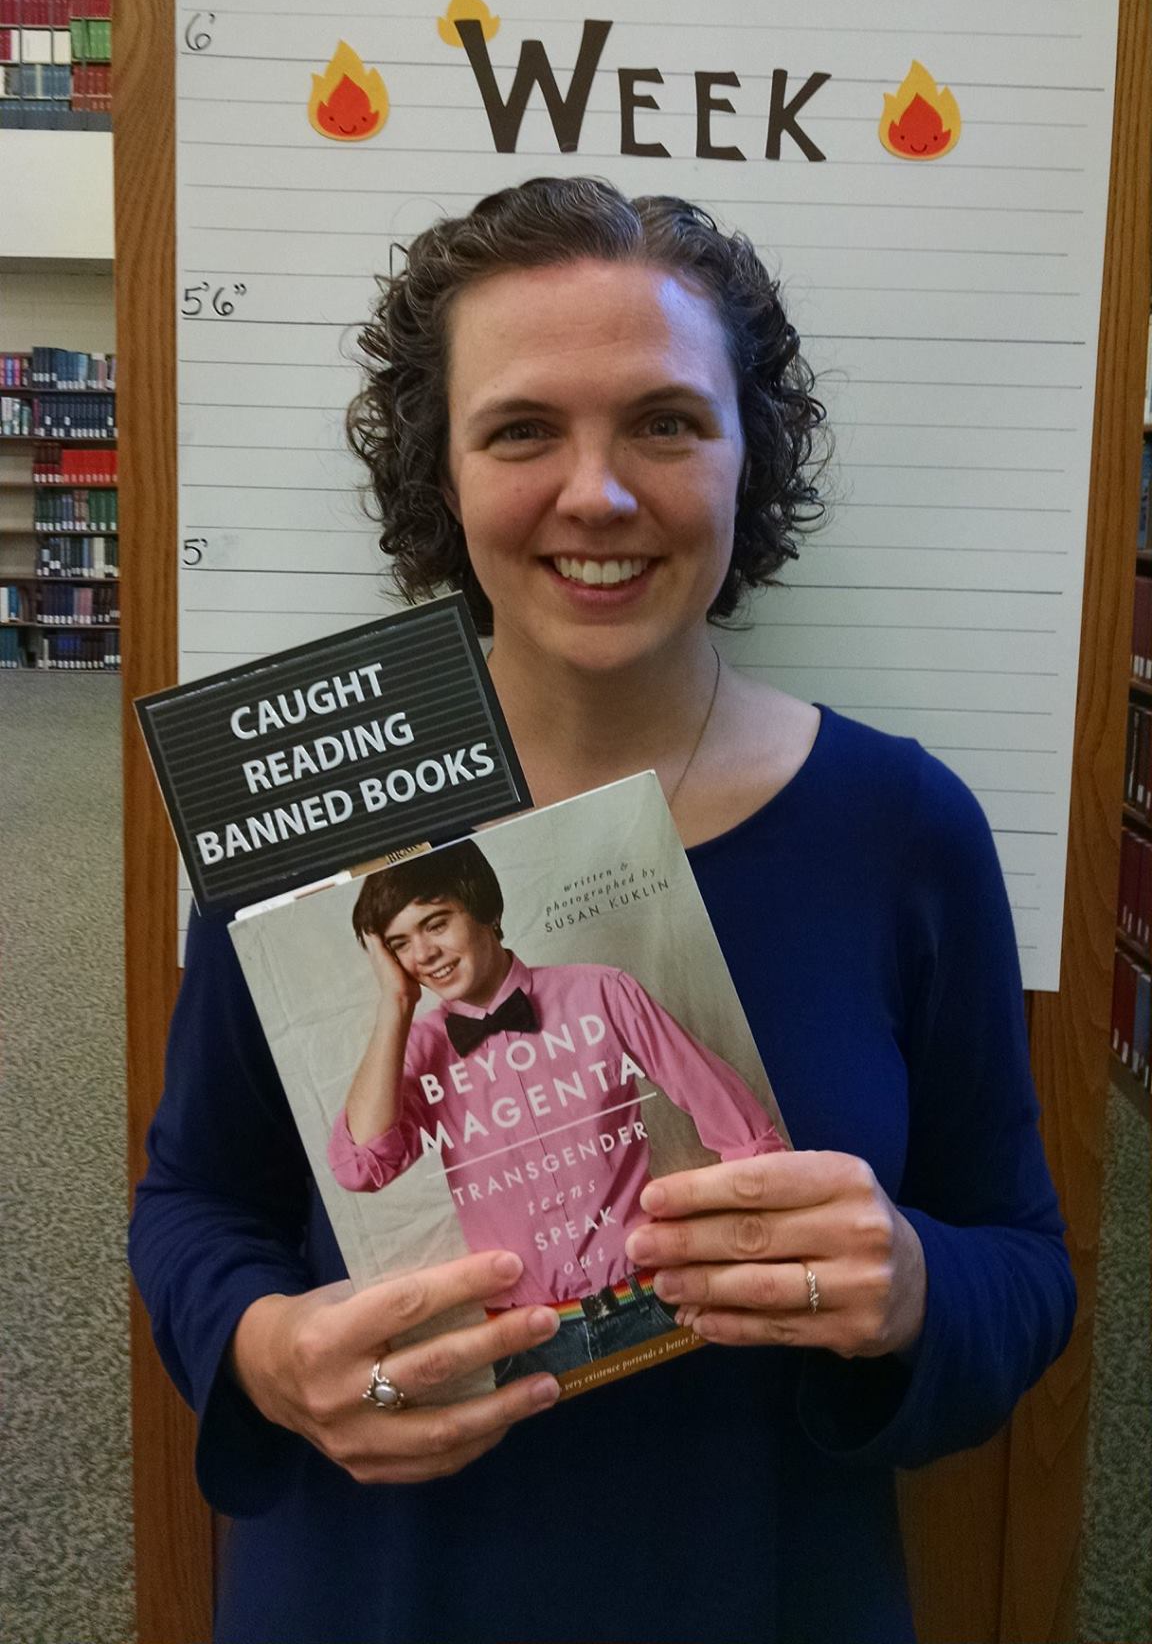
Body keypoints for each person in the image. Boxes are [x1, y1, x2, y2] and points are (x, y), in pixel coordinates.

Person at [130, 176, 1076, 1644]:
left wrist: (910, 1286)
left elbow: (1022, 1263)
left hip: (760, 1591)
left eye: (665, 421)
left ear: (745, 455)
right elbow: (196, 1200)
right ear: (438, 474)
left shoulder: (902, 829)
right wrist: (262, 1354)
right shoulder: (323, 825)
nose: (599, 492)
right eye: (521, 430)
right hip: (378, 1591)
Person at [328, 839, 787, 1378]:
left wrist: (737, 1255)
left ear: (485, 909)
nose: (423, 954)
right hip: (529, 1340)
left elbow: (741, 1128)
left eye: (436, 923)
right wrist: (396, 1004)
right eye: (400, 942)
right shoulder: (416, 1048)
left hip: (659, 1304)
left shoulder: (602, 992)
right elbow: (361, 1168)